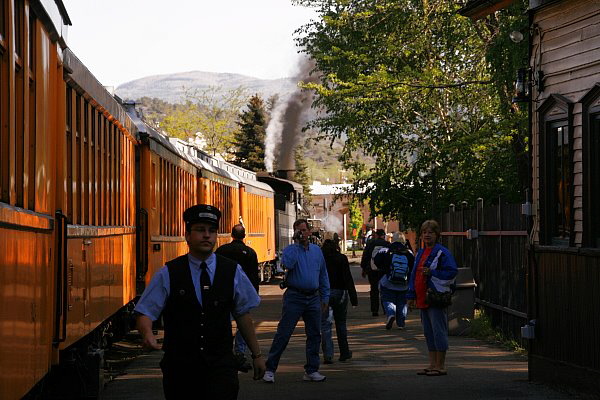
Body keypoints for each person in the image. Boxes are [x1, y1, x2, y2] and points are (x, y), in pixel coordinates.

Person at [134, 204, 266, 399]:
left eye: (212, 231)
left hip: (220, 369)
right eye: (200, 230)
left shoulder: (231, 271)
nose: (207, 236)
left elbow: (242, 314)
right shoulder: (169, 273)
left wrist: (257, 355)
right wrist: (147, 333)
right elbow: (145, 310)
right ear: (187, 235)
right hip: (181, 370)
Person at [263, 218, 330, 383]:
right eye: (299, 230)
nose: (303, 233)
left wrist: (325, 296)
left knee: (314, 334)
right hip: (295, 296)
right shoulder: (290, 250)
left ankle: (312, 370)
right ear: (294, 232)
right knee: (284, 333)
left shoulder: (316, 251)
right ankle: (270, 369)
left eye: (304, 230)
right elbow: (288, 264)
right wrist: (297, 244)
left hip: (313, 297)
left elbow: (323, 274)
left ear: (309, 231)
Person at [406, 220, 458, 377]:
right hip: (422, 298)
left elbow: (452, 272)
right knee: (428, 332)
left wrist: (433, 273)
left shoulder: (442, 253)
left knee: (438, 331)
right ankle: (432, 364)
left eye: (430, 232)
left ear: (437, 235)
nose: (427, 235)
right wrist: (411, 295)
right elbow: (414, 274)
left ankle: (440, 365)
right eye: (424, 232)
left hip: (435, 298)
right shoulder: (420, 253)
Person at [216, 224, 260, 370]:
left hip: (223, 294)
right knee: (244, 323)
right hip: (243, 295)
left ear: (231, 235)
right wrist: (254, 293)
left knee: (224, 323)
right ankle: (240, 352)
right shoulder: (250, 252)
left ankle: (225, 351)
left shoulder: (221, 251)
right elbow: (254, 275)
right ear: (244, 235)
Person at [320, 238, 358, 363]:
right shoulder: (341, 258)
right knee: (341, 323)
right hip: (341, 293)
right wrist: (353, 298)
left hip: (325, 293)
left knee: (326, 325)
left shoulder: (321, 259)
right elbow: (348, 278)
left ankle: (328, 355)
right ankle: (344, 352)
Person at [373, 232, 414, 330]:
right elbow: (413, 266)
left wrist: (384, 269)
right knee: (402, 302)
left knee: (387, 299)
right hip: (404, 283)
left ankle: (391, 313)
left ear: (393, 239)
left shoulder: (386, 250)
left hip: (388, 281)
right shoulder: (409, 252)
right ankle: (401, 323)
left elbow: (376, 261)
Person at [360, 228, 390, 316]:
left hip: (372, 271)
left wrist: (364, 269)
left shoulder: (370, 244)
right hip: (384, 271)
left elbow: (365, 257)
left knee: (374, 289)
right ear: (383, 236)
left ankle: (374, 310)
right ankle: (386, 309)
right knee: (384, 289)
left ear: (376, 235)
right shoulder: (387, 244)